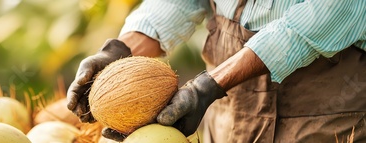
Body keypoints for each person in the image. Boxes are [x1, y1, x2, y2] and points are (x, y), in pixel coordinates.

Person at [67, 0, 366, 142]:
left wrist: (209, 86)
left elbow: (320, 19)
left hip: (324, 122)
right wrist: (121, 48)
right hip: (226, 123)